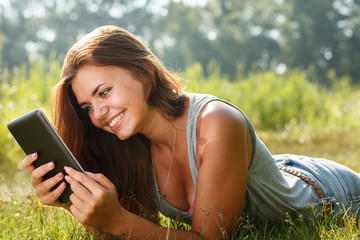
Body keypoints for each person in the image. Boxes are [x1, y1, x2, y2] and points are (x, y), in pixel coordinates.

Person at [22, 25, 360, 239]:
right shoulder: (128, 143)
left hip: (327, 192)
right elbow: (139, 230)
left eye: (104, 92)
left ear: (144, 73)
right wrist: (75, 201)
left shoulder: (217, 123)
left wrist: (117, 220)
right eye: (87, 108)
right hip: (260, 169)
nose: (98, 114)